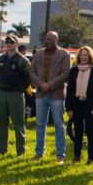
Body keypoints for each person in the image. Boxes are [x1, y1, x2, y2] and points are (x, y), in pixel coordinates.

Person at [30, 31, 70, 163]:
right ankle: (39, 153)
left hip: (56, 94)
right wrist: (40, 84)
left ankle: (60, 155)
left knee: (59, 125)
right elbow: (32, 71)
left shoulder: (64, 54)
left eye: (52, 39)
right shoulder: (38, 54)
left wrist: (50, 85)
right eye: (47, 39)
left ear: (57, 40)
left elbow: (66, 73)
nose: (49, 41)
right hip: (41, 93)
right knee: (40, 124)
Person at [0, 34, 31, 156]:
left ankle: (21, 151)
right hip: (2, 93)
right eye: (7, 42)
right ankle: (1, 150)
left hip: (16, 94)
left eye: (11, 42)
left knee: (18, 123)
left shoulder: (22, 60)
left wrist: (21, 89)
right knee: (1, 123)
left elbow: (29, 78)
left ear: (17, 44)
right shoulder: (0, 59)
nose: (9, 44)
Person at [66, 46, 93, 164]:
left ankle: (91, 157)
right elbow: (70, 91)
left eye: (86, 55)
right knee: (77, 131)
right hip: (76, 105)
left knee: (90, 132)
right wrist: (69, 108)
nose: (83, 57)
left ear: (90, 57)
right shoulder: (73, 71)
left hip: (90, 105)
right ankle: (77, 156)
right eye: (81, 55)